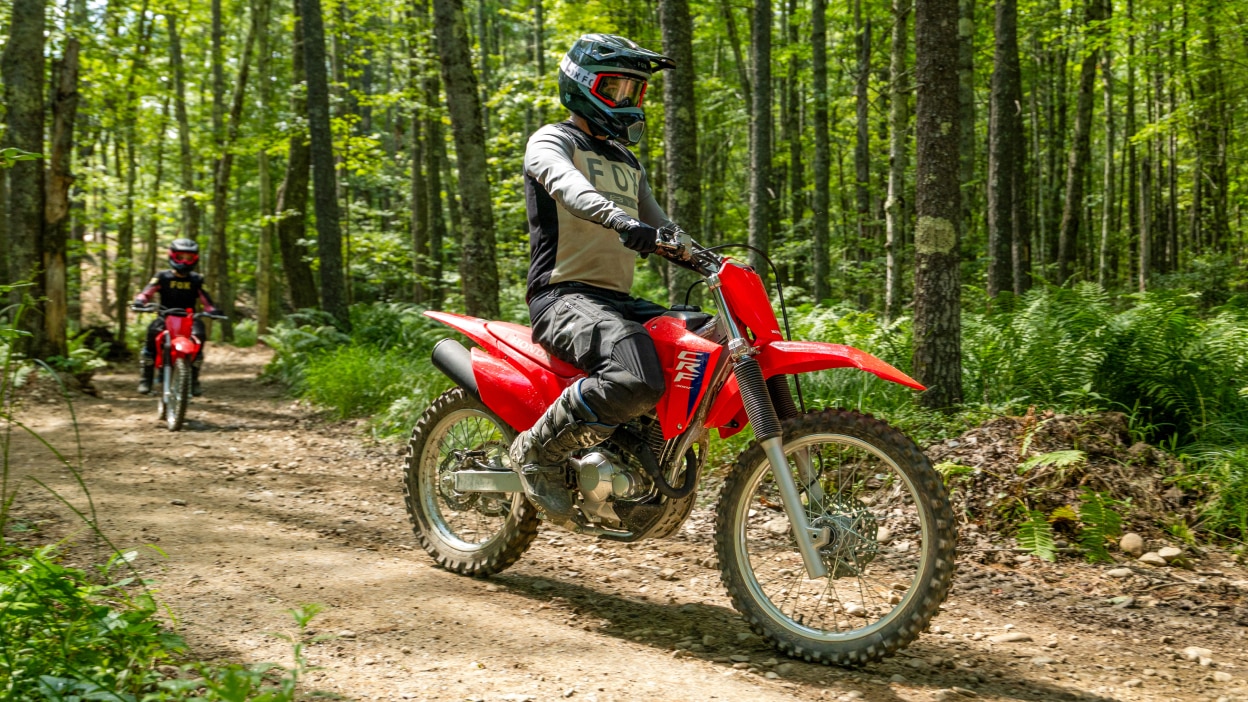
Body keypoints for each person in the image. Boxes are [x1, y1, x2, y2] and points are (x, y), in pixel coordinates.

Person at [509, 33, 682, 522]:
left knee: (699, 339)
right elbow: (570, 187)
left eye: (635, 92)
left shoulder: (627, 162)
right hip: (561, 295)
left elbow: (662, 223)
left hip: (613, 300)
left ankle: (639, 461)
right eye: (617, 89)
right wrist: (623, 222)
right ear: (584, 87)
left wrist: (702, 255)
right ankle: (536, 451)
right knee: (635, 371)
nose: (628, 101)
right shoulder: (552, 141)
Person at [133, 239, 219, 396]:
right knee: (152, 333)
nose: (185, 261)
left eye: (189, 258)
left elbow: (206, 298)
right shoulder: (162, 277)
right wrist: (140, 301)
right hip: (165, 316)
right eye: (181, 257)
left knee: (199, 334)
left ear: (195, 259)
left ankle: (193, 379)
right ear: (172, 256)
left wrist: (212, 310)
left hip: (189, 318)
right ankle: (146, 378)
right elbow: (147, 291)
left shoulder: (196, 279)